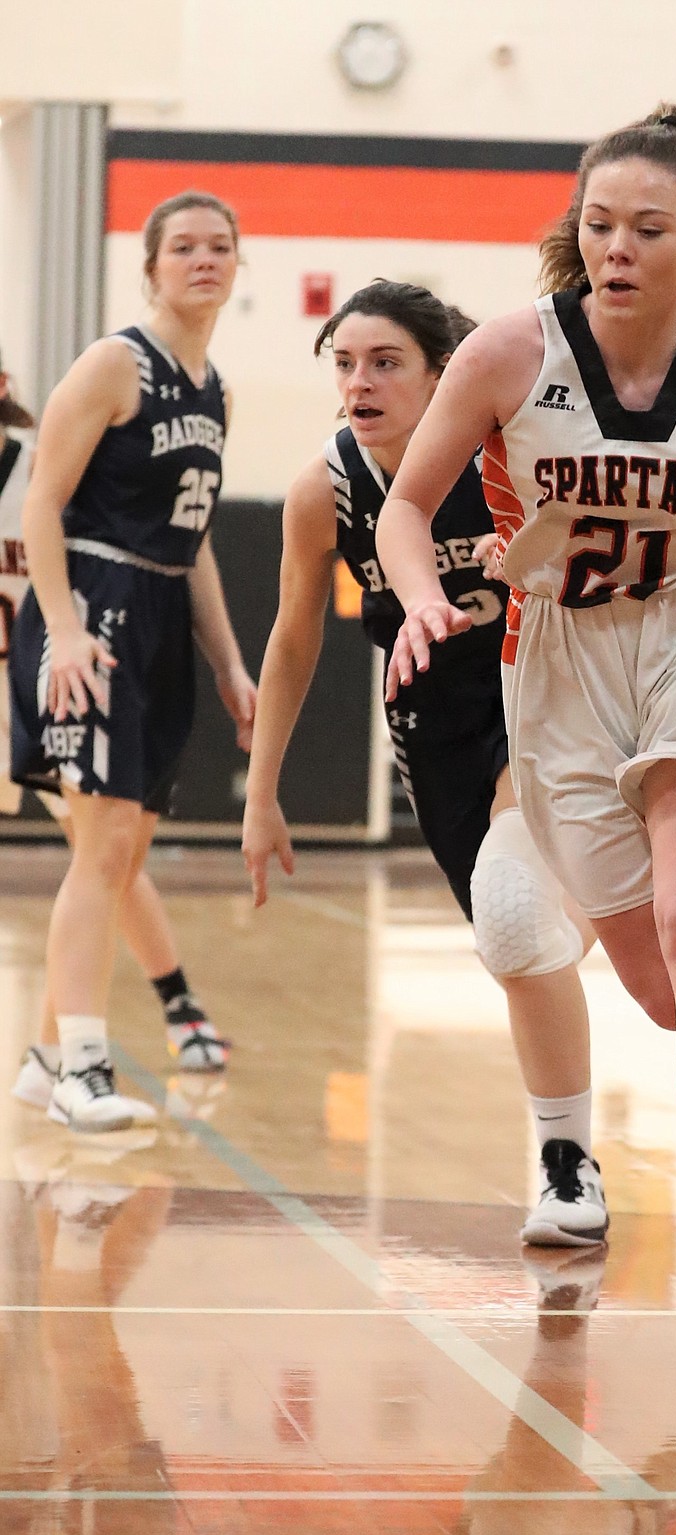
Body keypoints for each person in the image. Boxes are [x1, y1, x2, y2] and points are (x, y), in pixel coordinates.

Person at [376, 104, 676, 1320]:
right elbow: (405, 508)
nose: (618, 247)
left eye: (648, 228)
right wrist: (418, 600)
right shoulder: (505, 353)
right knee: (667, 983)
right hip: (559, 669)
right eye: (598, 224)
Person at [241, 279, 609, 1247]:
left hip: (538, 702)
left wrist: (531, 552)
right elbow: (292, 639)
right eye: (346, 363)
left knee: (522, 917)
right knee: (523, 947)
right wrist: (260, 790)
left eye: (385, 361)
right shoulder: (324, 489)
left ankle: (567, 1162)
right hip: (433, 733)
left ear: (442, 372)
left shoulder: (504, 454)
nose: (359, 382)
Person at [6, 190, 255, 1132]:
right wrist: (65, 629)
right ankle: (82, 1068)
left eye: (220, 246)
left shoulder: (217, 391)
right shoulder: (117, 363)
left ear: (238, 267)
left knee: (121, 854)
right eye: (183, 246)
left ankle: (40, 1061)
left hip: (161, 608)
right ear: (150, 266)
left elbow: (194, 544)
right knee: (103, 845)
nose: (203, 259)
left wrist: (230, 662)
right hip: (94, 605)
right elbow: (41, 505)